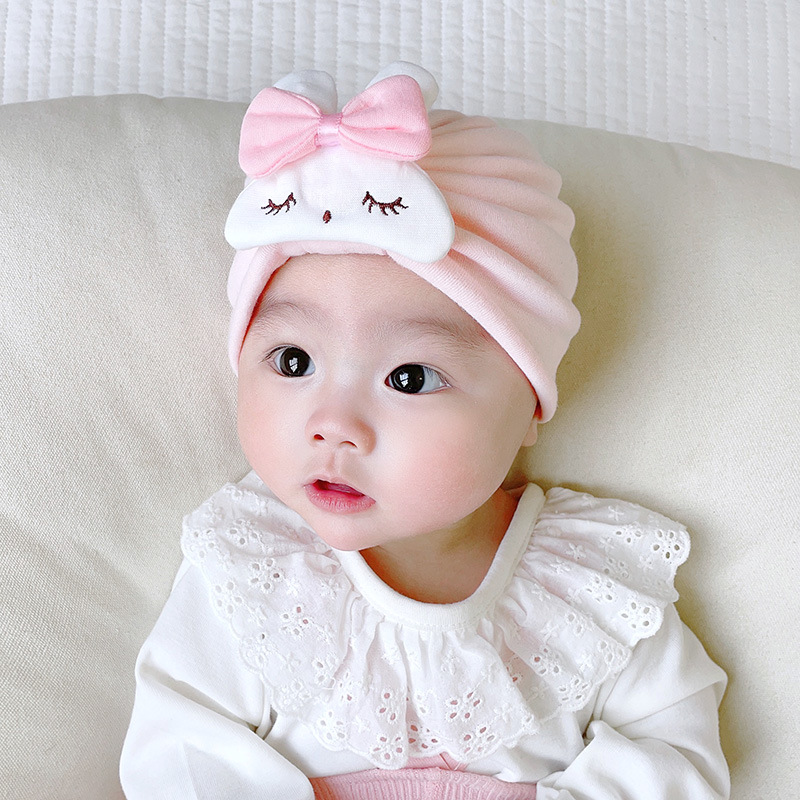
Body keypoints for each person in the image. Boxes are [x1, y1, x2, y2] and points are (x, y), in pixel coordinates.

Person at [119, 63, 730, 800]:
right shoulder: (253, 573)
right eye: (293, 361)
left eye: (409, 378)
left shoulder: (592, 586)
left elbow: (678, 757)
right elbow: (179, 754)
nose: (333, 425)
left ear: (529, 406)